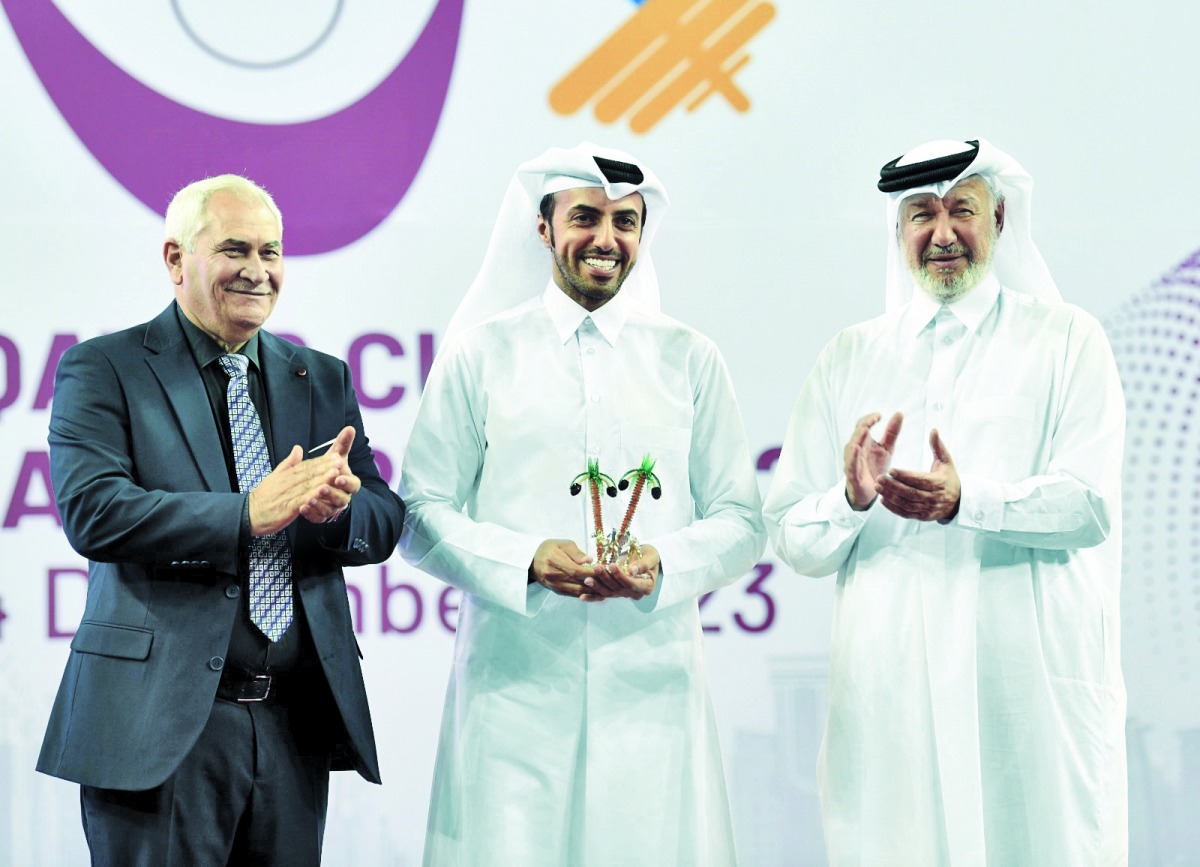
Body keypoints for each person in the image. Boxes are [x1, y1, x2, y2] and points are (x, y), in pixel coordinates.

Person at [762, 139, 1127, 866]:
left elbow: (1088, 505)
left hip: (1020, 694)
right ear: (899, 232)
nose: (943, 233)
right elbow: (793, 537)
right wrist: (852, 500)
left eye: (963, 210)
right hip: (889, 696)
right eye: (922, 215)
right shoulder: (848, 356)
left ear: (1000, 220)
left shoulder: (1066, 339)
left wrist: (969, 502)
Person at [399, 143, 765, 866]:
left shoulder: (690, 357)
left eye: (625, 222)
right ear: (543, 228)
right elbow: (418, 512)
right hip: (514, 688)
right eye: (586, 218)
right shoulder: (480, 355)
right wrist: (525, 560)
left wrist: (664, 561)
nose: (606, 238)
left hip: (652, 687)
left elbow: (743, 520)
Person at [38, 174, 405, 865]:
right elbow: (95, 511)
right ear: (176, 259)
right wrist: (247, 514)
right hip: (158, 725)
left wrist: (336, 511)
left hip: (294, 723)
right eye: (235, 250)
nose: (257, 270)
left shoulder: (320, 377)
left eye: (271, 251)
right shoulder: (105, 367)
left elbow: (383, 516)